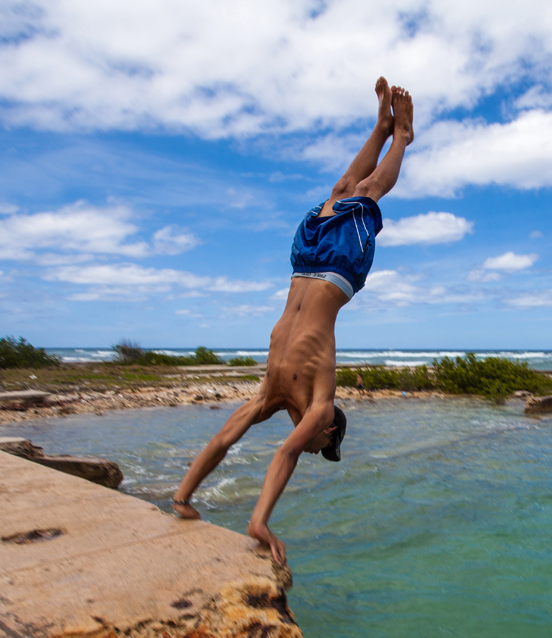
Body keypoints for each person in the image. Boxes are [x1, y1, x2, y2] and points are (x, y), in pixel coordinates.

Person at [171, 77, 414, 567]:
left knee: (347, 189)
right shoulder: (322, 407)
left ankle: (388, 128)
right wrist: (259, 520)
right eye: (321, 447)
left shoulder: (270, 396)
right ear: (329, 432)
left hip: (305, 267)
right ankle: (397, 134)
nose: (311, 447)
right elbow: (284, 455)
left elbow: (223, 439)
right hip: (338, 271)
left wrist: (185, 497)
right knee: (358, 192)